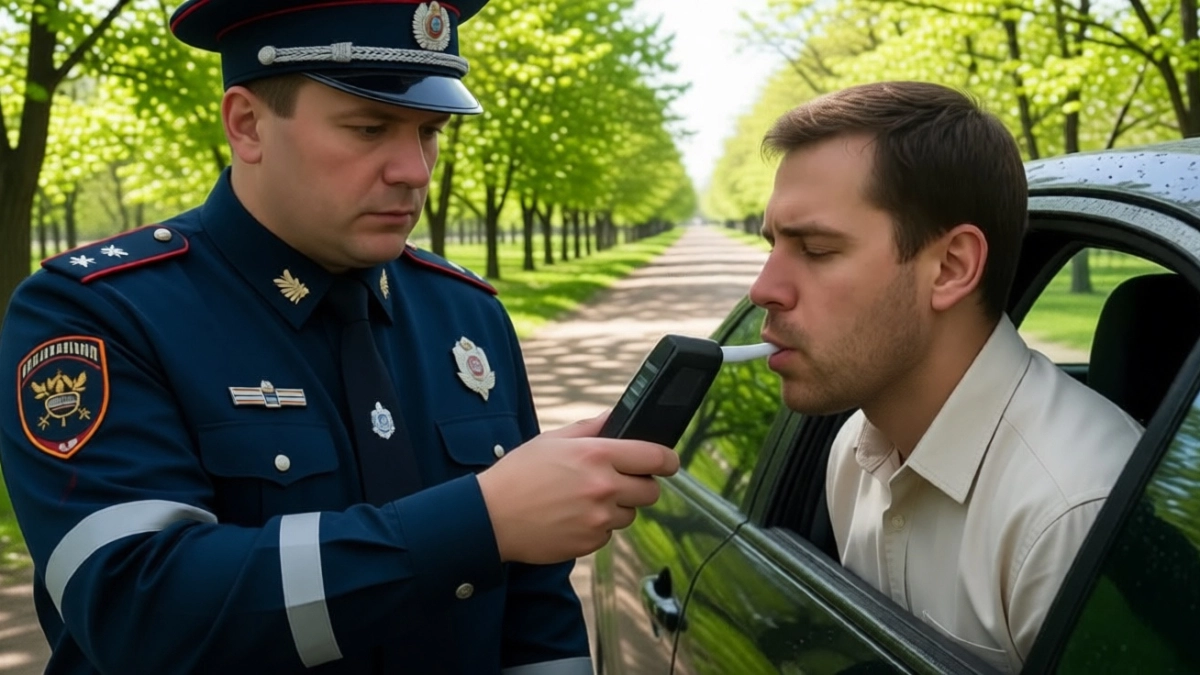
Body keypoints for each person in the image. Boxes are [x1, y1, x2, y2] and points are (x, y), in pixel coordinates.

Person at [0, 1, 679, 673]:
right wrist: (480, 520)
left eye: (430, 131)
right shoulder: (99, 314)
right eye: (369, 127)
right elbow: (138, 607)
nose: (414, 169)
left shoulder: (465, 313)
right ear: (247, 126)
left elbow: (535, 610)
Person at [750, 81, 1142, 673]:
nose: (763, 289)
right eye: (774, 243)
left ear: (951, 267)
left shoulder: (1071, 516)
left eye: (817, 249)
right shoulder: (853, 450)